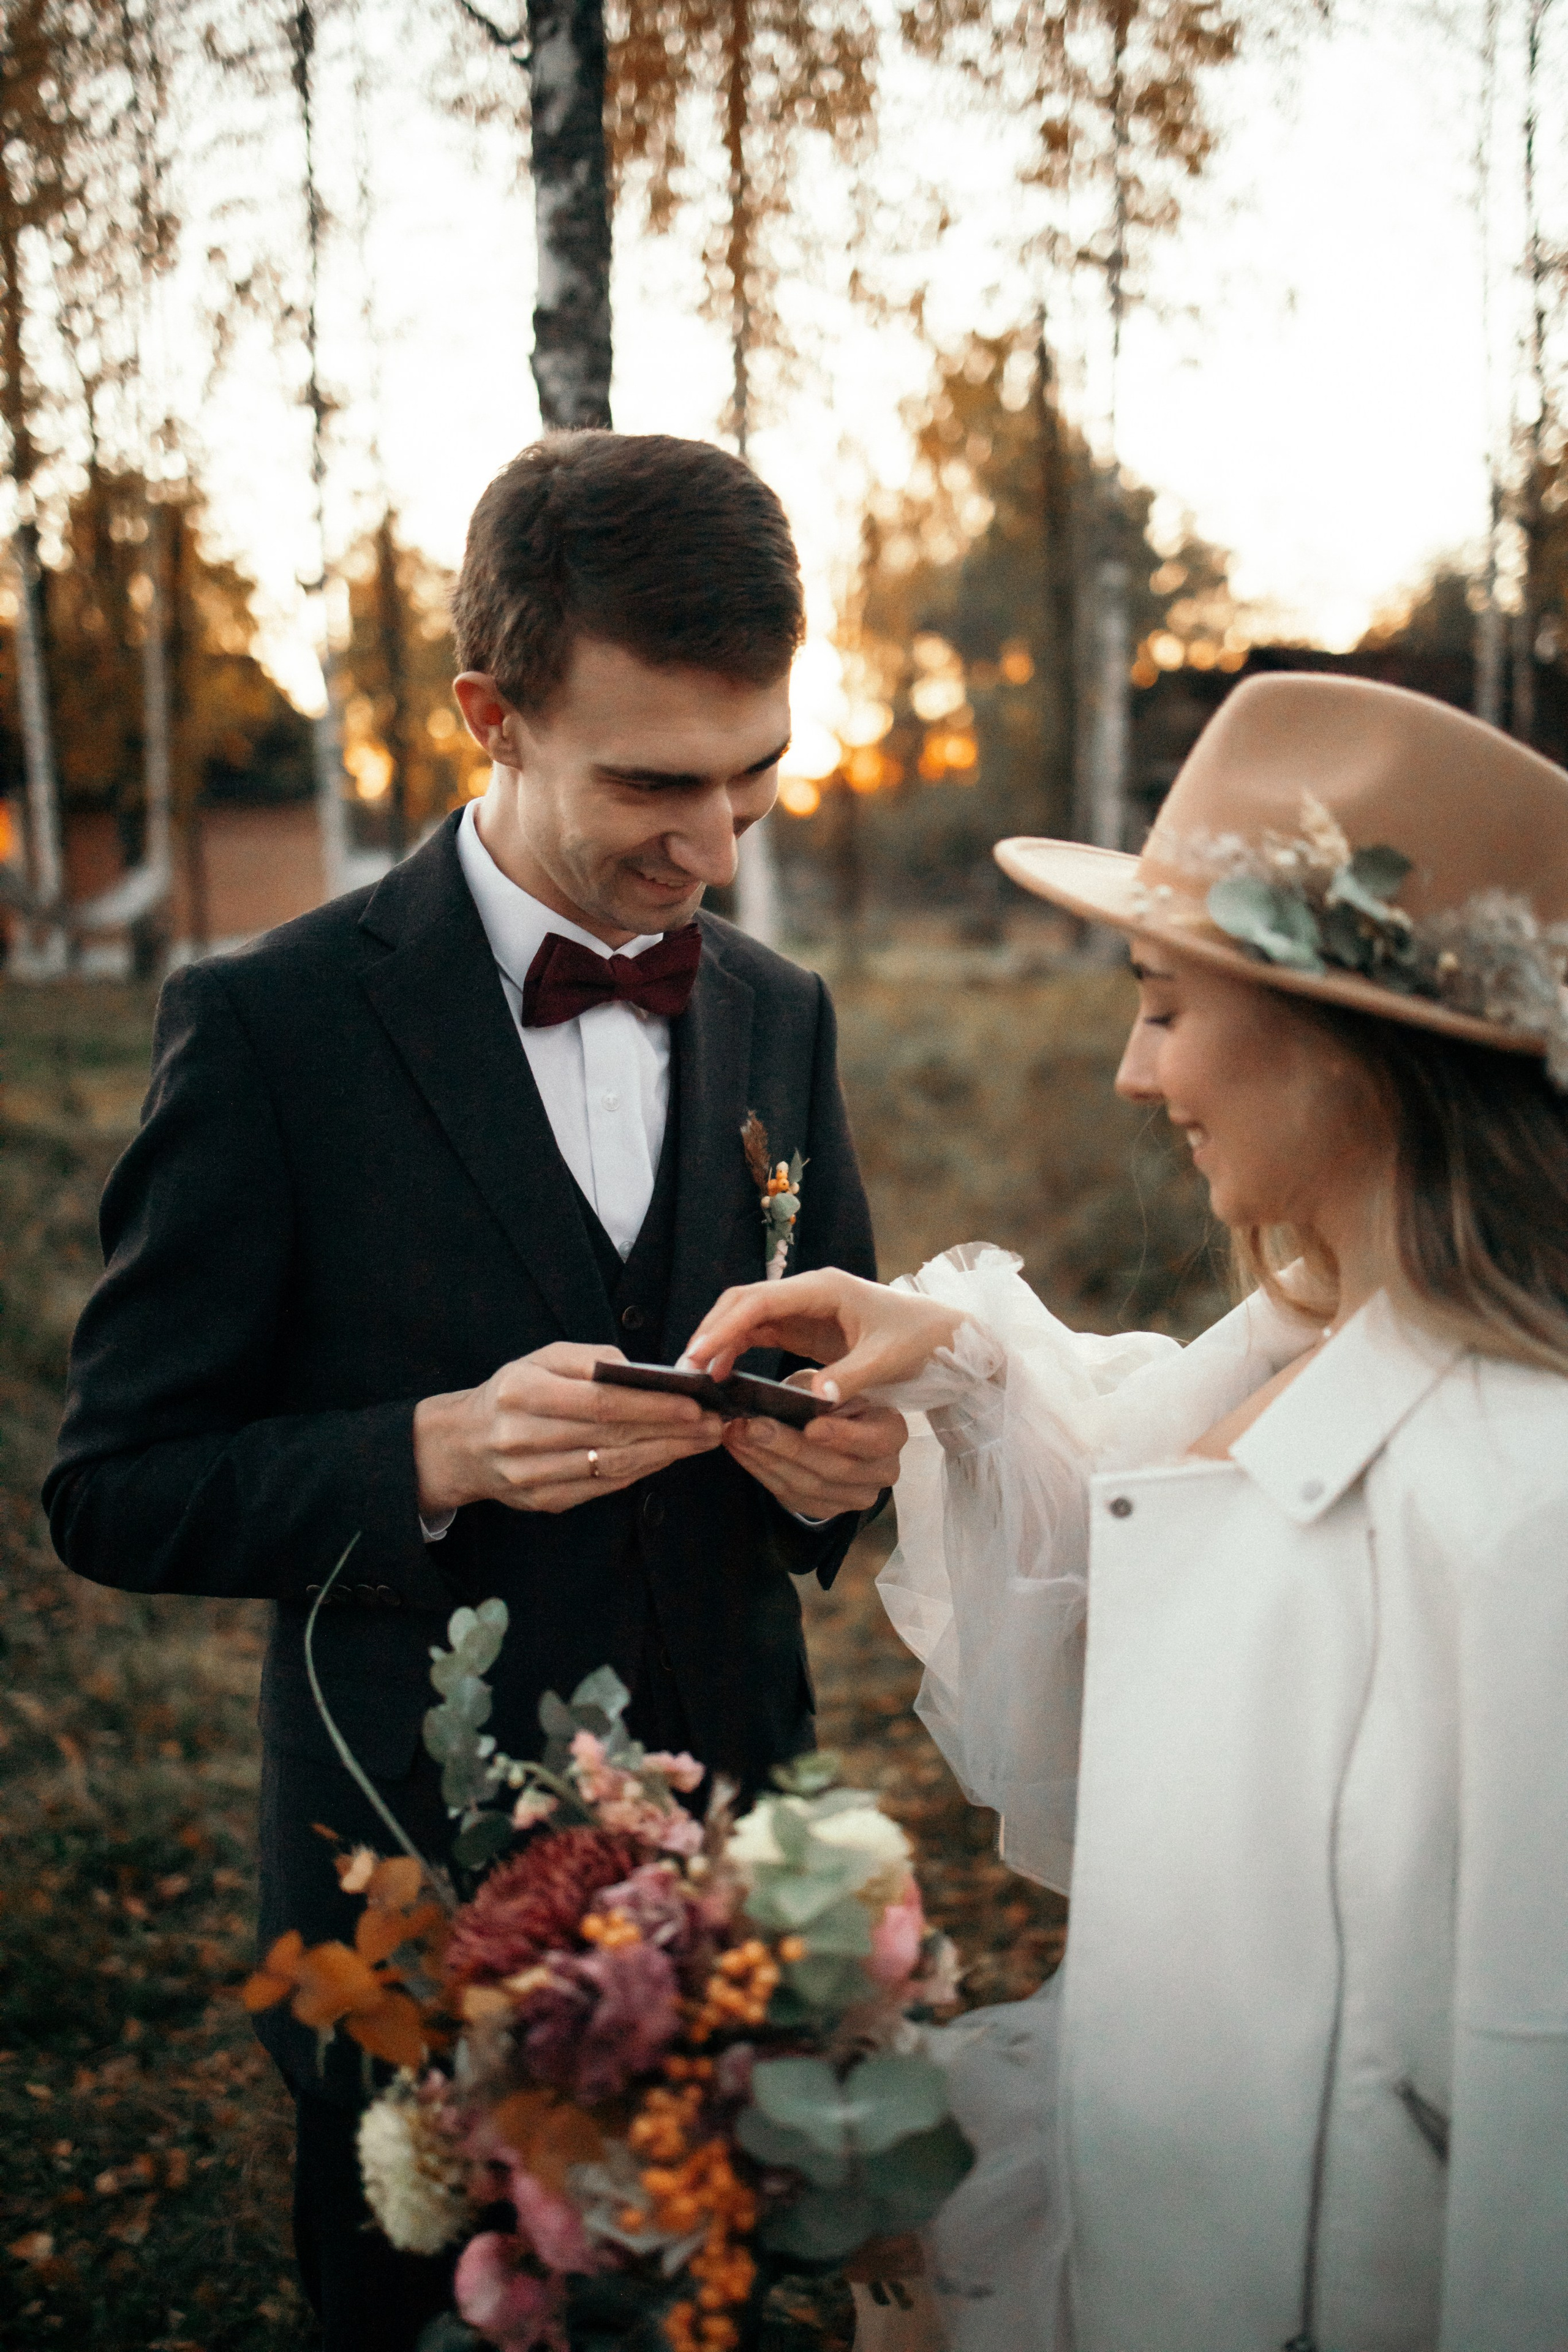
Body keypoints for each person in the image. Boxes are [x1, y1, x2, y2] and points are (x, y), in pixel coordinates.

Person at [44, 431, 905, 2352]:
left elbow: (835, 1397)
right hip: (416, 1903)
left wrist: (848, 1472)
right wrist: (428, 1451)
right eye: (654, 783)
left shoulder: (780, 1008)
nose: (718, 847)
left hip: (743, 1861)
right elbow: (114, 1486)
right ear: (486, 716)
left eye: (757, 775)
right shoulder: (270, 1026)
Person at [685, 673, 1568, 2352]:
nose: (1128, 1070)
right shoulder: (1295, 1341)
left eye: (1163, 1005)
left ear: (1354, 1046)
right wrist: (951, 1359)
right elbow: (1140, 1564)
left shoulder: (1530, 1517)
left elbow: (1539, 2127)